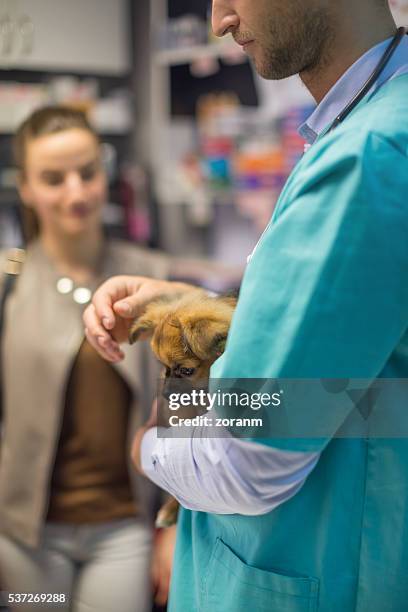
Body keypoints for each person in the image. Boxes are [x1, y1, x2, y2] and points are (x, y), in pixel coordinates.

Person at [84, 1, 408, 611]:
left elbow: (244, 462)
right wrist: (196, 307)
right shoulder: (362, 122)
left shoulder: (368, 155)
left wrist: (144, 450)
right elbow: (349, 344)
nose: (219, 20)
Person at [0, 106, 179, 612]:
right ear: (27, 188)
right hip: (24, 535)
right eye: (54, 179)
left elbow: (184, 410)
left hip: (123, 529)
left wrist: (175, 521)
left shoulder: (152, 279)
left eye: (87, 172)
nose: (76, 192)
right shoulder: (8, 283)